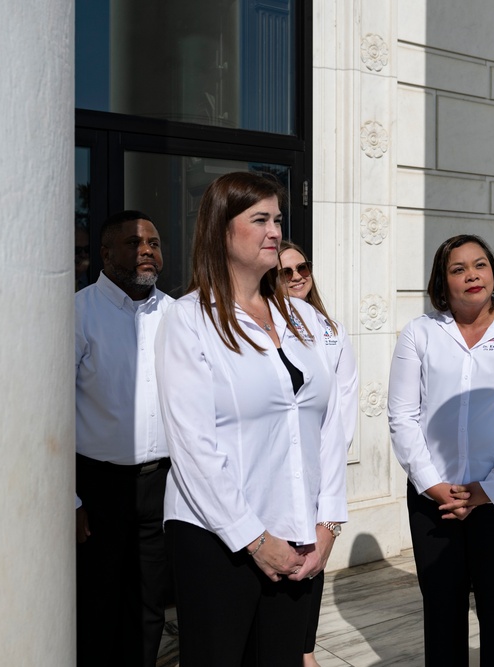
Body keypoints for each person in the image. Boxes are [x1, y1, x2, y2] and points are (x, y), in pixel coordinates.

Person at [155, 171, 347, 666]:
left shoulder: (303, 318)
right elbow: (192, 446)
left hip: (299, 535)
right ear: (221, 230)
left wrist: (328, 523)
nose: (274, 232)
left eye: (278, 220)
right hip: (217, 538)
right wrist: (255, 540)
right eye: (259, 219)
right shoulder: (188, 318)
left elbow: (328, 425)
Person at [388, 234, 494, 666]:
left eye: (480, 265)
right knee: (442, 617)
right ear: (442, 280)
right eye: (458, 269)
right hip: (436, 501)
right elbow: (402, 416)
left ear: (493, 272)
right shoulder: (420, 333)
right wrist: (435, 486)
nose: (472, 275)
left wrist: (488, 490)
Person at [74, 210, 174, 667]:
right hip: (98, 488)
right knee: (97, 604)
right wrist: (69, 501)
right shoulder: (76, 313)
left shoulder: (177, 315)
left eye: (153, 242)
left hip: (165, 485)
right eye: (134, 243)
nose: (147, 251)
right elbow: (48, 414)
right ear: (106, 252)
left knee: (151, 602)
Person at [278, 240, 358, 667]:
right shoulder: (263, 328)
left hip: (319, 466)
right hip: (278, 468)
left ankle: (305, 650)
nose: (296, 276)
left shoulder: (333, 329)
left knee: (313, 560)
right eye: (285, 270)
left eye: (302, 267)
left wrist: (328, 465)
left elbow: (344, 405)